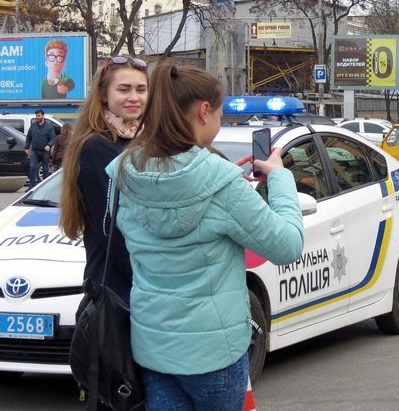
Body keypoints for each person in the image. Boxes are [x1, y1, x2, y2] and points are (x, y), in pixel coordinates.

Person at [105, 64, 304, 411]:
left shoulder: (125, 171)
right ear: (203, 111)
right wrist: (282, 180)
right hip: (214, 355)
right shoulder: (222, 183)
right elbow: (287, 245)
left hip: (152, 347)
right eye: (221, 114)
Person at [59, 55, 148, 411]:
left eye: (141, 89)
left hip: (134, 294)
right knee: (124, 397)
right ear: (103, 95)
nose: (134, 97)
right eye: (124, 89)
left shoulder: (138, 142)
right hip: (117, 294)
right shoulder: (99, 147)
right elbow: (119, 230)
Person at [24, 109, 56, 189]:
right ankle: (32, 186)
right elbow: (28, 137)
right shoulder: (33, 125)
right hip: (35, 150)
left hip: (45, 151)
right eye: (36, 116)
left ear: (43, 116)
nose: (37, 117)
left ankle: (45, 187)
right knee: (32, 167)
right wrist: (27, 147)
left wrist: (49, 145)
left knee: (45, 169)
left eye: (39, 115)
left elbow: (53, 138)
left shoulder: (49, 127)